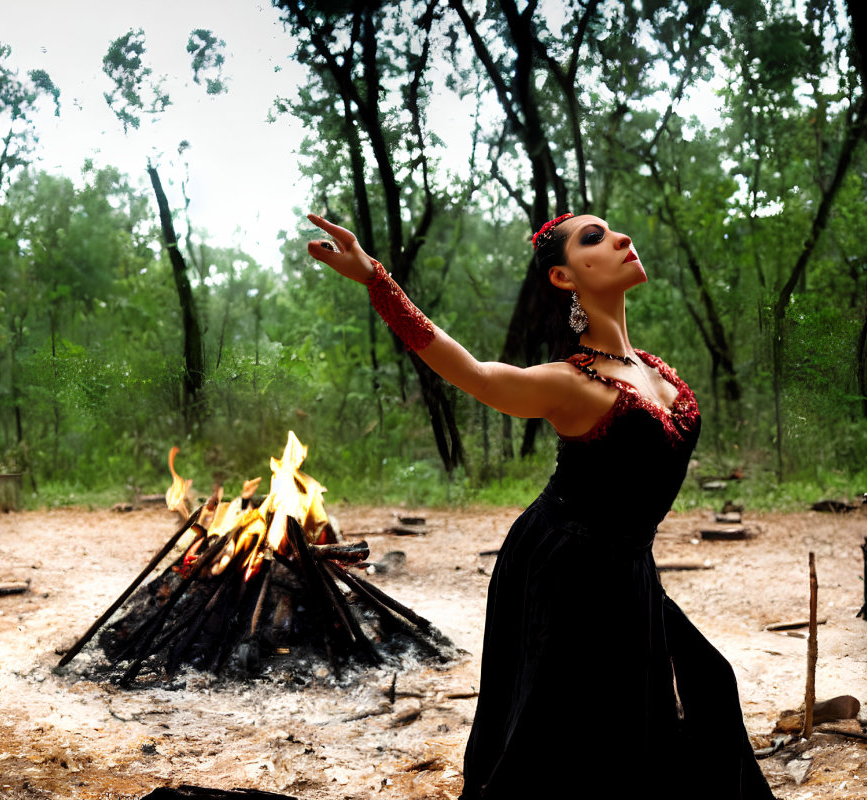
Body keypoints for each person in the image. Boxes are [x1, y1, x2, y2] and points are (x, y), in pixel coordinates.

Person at [305, 211, 777, 799]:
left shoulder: (654, 373)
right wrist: (379, 280)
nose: (621, 239)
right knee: (562, 735)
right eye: (594, 238)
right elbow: (473, 373)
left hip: (630, 567)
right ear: (563, 278)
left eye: (613, 230)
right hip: (565, 563)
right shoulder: (568, 382)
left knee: (704, 684)